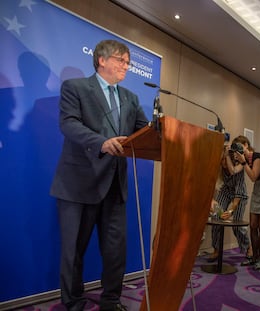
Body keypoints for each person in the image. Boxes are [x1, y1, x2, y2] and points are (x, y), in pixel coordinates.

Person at [50, 40, 149, 311]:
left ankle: (111, 301)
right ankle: (73, 304)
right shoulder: (75, 88)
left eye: (128, 62)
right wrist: (101, 142)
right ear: (102, 60)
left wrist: (164, 130)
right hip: (77, 185)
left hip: (115, 186)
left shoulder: (131, 98)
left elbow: (144, 133)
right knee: (73, 252)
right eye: (122, 60)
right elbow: (68, 124)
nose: (126, 66)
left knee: (116, 251)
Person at [232, 135, 260, 270]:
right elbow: (233, 171)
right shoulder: (244, 160)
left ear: (246, 144)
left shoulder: (257, 157)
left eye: (240, 147)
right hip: (257, 191)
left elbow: (254, 177)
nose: (239, 150)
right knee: (253, 225)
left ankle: (259, 259)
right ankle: (253, 256)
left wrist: (243, 162)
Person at [207, 144, 252, 263]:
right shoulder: (219, 168)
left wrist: (231, 211)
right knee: (216, 218)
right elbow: (212, 184)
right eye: (221, 159)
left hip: (239, 194)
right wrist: (213, 201)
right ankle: (216, 249)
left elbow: (237, 194)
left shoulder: (238, 169)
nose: (223, 162)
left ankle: (247, 248)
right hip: (226, 191)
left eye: (225, 159)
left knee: (237, 224)